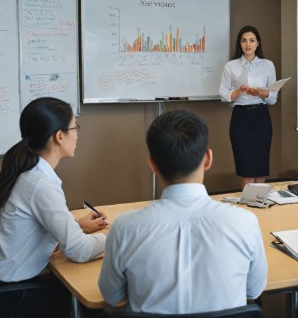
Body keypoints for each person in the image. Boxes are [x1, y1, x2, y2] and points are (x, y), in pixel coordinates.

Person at [99, 110, 267, 314]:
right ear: (207, 159)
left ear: (152, 163)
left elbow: (112, 295)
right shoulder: (245, 222)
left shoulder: (126, 228)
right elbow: (253, 290)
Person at [0, 97, 107, 317]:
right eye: (74, 127)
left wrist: (76, 226)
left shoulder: (26, 172)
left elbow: (33, 227)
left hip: (7, 289)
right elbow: (80, 251)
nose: (77, 134)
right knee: (100, 305)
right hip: (19, 299)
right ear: (59, 136)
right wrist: (120, 237)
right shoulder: (40, 183)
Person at [219, 26, 277, 189]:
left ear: (258, 43)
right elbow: (223, 94)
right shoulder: (231, 66)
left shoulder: (268, 65)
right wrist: (238, 91)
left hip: (261, 118)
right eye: (244, 40)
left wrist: (260, 92)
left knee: (260, 171)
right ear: (240, 44)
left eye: (252, 40)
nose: (248, 44)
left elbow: (273, 98)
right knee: (247, 172)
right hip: (241, 120)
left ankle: (260, 208)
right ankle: (248, 210)